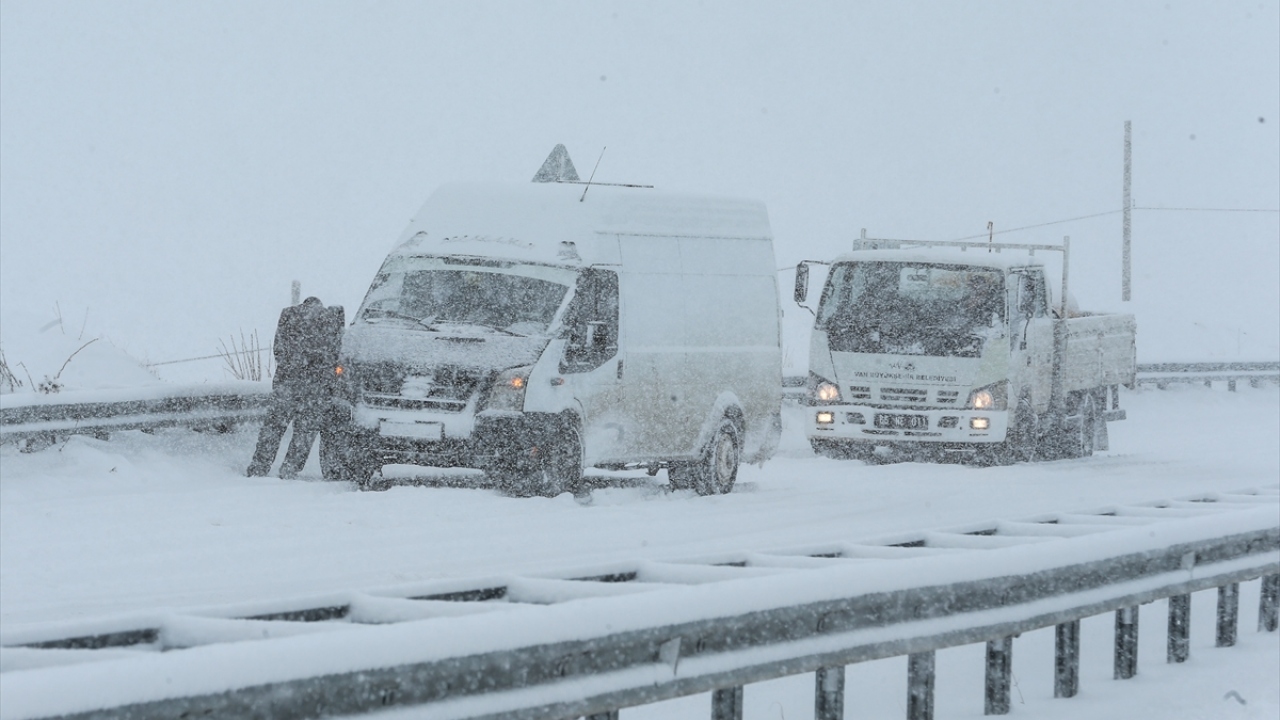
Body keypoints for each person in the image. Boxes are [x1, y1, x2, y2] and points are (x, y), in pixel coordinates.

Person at [247, 297, 344, 478]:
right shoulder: (331, 320)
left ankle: (258, 467)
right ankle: (289, 469)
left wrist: (291, 368)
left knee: (274, 427)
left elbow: (278, 350)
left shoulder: (288, 315)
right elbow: (336, 356)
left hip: (287, 384)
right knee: (304, 432)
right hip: (315, 388)